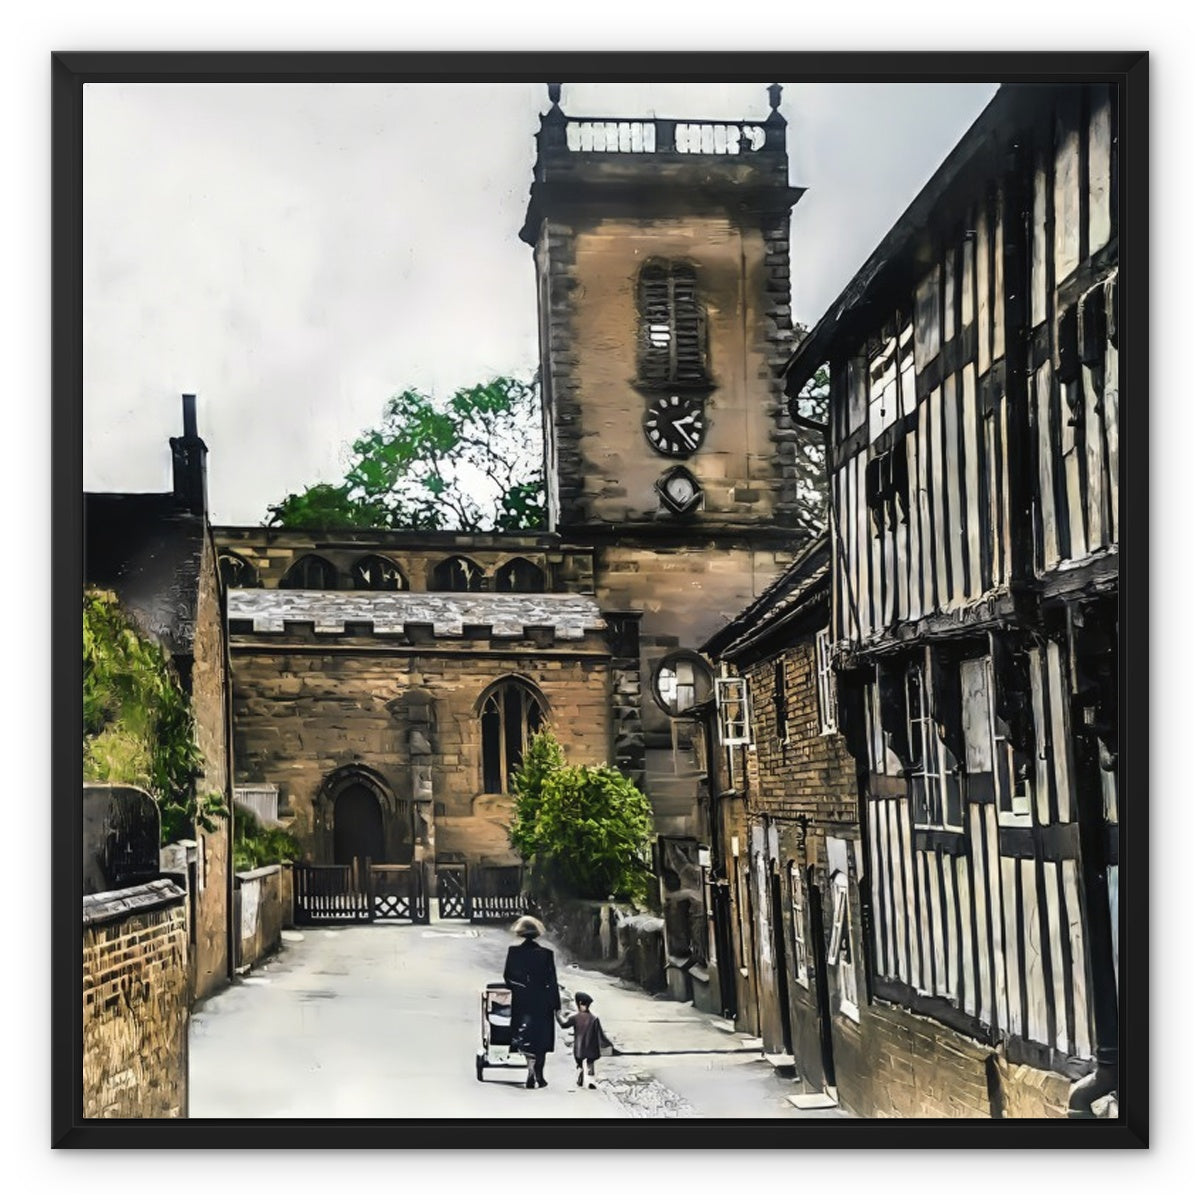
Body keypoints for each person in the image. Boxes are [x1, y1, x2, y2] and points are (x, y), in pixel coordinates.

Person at [503, 915, 560, 1089]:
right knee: (541, 1039)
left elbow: (508, 977)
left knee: (526, 1036)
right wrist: (556, 1004)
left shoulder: (514, 952)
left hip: (522, 1001)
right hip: (542, 1001)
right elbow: (552, 980)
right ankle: (539, 1075)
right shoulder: (546, 954)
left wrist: (519, 989)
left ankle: (530, 1068)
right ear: (537, 934)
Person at [556, 991, 611, 1088]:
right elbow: (600, 1034)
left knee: (579, 1063)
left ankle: (580, 1076)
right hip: (592, 1047)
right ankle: (590, 1081)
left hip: (579, 1047)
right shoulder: (594, 1019)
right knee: (590, 1063)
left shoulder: (575, 1018)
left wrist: (557, 1016)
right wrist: (607, 1045)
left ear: (580, 1003)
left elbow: (564, 1025)